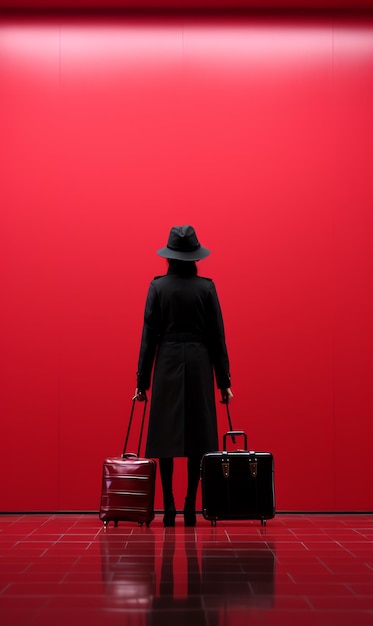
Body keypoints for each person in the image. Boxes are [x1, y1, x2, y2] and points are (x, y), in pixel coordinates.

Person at [134, 225, 233, 527]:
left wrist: (142, 382)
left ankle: (169, 507)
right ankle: (191, 505)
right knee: (198, 436)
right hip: (200, 361)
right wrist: (224, 382)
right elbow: (218, 337)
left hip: (167, 361)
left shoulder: (158, 287)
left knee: (165, 433)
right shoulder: (206, 288)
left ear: (170, 257)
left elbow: (148, 338)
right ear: (194, 257)